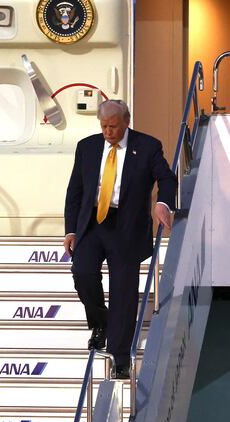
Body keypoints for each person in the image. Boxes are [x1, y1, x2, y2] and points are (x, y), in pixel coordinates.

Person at [63, 99, 177, 379]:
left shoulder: (148, 146)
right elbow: (75, 190)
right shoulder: (87, 147)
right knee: (83, 272)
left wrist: (162, 203)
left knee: (124, 292)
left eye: (113, 126)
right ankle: (101, 322)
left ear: (126, 121)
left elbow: (167, 179)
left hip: (126, 228)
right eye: (103, 126)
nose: (108, 132)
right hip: (93, 223)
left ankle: (120, 356)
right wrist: (71, 229)